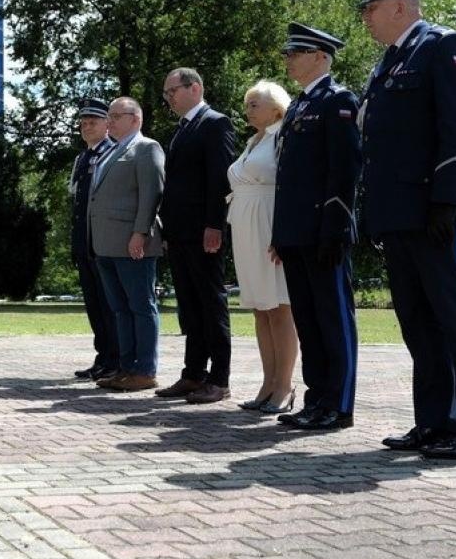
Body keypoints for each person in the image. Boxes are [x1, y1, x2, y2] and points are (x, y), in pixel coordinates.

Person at [358, 0, 456, 459]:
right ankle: (434, 422)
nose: (365, 17)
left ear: (399, 6)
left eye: (370, 8)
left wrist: (447, 199)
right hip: (398, 213)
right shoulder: (389, 63)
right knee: (418, 323)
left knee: (455, 318)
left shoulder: (445, 46)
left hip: (435, 210)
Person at [271, 24, 362, 433]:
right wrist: (281, 232)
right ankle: (317, 399)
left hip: (324, 231)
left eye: (297, 51)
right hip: (296, 232)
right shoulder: (298, 106)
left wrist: (335, 228)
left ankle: (338, 404)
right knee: (308, 321)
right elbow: (288, 178)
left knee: (332, 319)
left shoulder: (337, 101)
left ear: (321, 57)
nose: (289, 58)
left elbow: (343, 172)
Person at [155, 68, 238, 404]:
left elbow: (219, 179)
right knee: (190, 305)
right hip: (180, 232)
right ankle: (193, 374)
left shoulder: (215, 123)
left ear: (195, 88)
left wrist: (214, 225)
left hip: (204, 231)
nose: (168, 98)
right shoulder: (183, 128)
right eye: (166, 93)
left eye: (172, 91)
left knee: (210, 302)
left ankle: (219, 378)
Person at [226, 80, 298, 415]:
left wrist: (282, 233)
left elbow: (290, 185)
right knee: (260, 307)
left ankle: (284, 385)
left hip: (269, 226)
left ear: (277, 109)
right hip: (245, 229)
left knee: (280, 306)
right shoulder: (253, 141)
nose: (248, 108)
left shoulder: (283, 137)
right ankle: (268, 383)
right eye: (248, 102)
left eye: (255, 103)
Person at [87, 97, 165, 392]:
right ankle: (126, 367)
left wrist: (140, 232)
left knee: (141, 307)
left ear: (136, 118)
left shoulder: (146, 148)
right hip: (106, 243)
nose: (110, 121)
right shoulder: (111, 151)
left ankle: (145, 370)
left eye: (116, 116)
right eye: (109, 116)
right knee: (120, 309)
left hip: (133, 242)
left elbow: (151, 193)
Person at [70, 97, 119, 381]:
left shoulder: (112, 153)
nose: (86, 127)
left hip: (103, 241)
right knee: (94, 306)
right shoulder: (83, 157)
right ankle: (103, 357)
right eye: (83, 122)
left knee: (110, 305)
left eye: (93, 122)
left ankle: (115, 359)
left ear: (107, 124)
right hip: (84, 242)